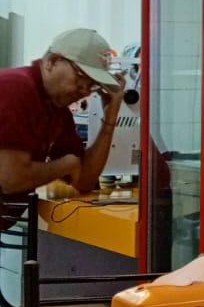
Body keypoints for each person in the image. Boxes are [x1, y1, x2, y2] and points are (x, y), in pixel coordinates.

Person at [0, 28, 123, 198]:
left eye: (92, 84)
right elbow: (11, 180)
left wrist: (110, 117)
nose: (85, 91)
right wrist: (64, 166)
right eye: (80, 77)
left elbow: (84, 180)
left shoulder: (57, 110)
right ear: (52, 61)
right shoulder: (16, 87)